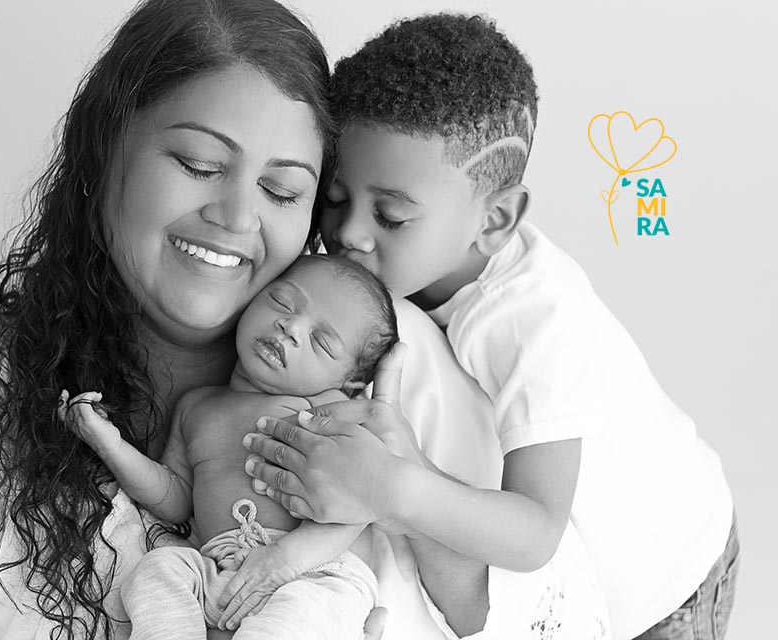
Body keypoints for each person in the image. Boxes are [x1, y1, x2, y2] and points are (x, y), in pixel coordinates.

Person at [0, 2, 507, 639]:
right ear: (104, 149)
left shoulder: (390, 360)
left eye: (281, 190)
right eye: (198, 164)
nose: (237, 218)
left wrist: (405, 489)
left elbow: (498, 608)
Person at [243, 13, 738, 640]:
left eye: (390, 216)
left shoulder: (536, 318)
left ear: (496, 220)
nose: (349, 232)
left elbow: (534, 532)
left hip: (667, 584)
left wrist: (393, 489)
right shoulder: (392, 271)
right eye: (336, 199)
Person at [61, 254, 396, 639]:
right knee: (156, 571)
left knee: (290, 622)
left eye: (321, 342)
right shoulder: (197, 407)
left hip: (315, 575)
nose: (290, 327)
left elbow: (360, 506)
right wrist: (110, 444)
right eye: (282, 302)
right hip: (222, 569)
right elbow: (175, 498)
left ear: (351, 384)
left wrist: (286, 560)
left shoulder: (327, 410)